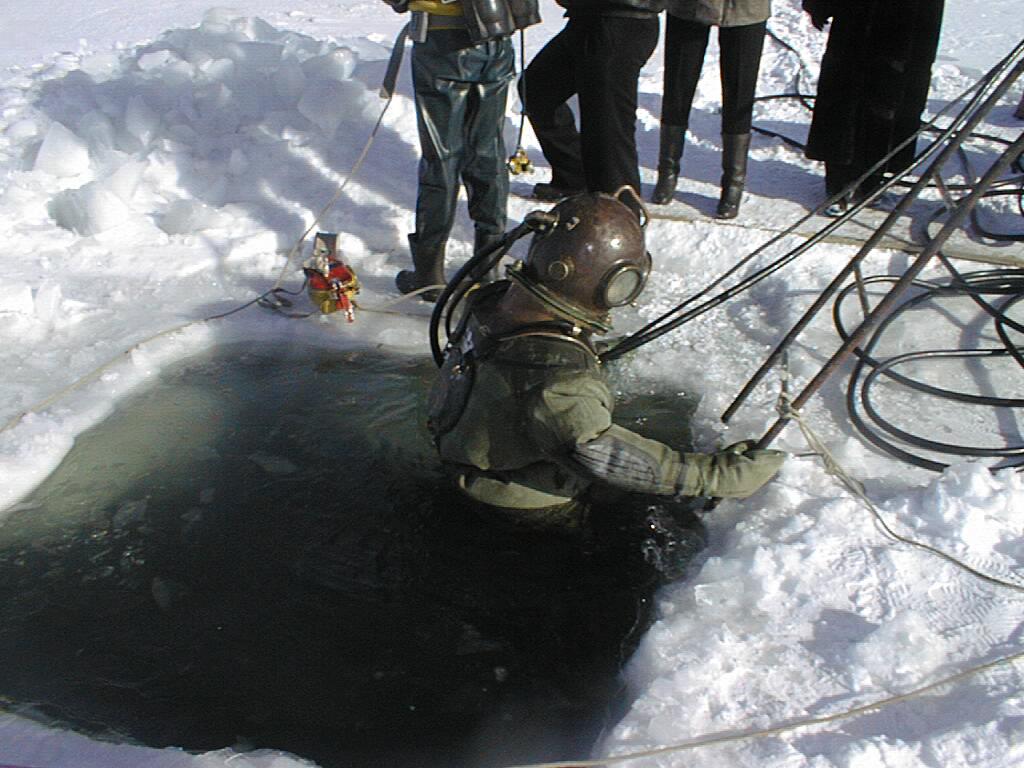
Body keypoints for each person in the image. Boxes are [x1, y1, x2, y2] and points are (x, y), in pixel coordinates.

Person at [426, 190, 785, 537]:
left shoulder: (492, 304)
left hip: (465, 457)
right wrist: (716, 476)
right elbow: (596, 450)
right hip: (524, 505)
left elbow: (512, 370)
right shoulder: (561, 378)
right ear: (613, 284)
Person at [386, 0, 541, 300]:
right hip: (495, 36)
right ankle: (488, 267)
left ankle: (429, 275)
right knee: (488, 153)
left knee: (441, 158)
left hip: (440, 41)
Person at [802, 0, 945, 216]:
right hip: (858, 19)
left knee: (892, 95)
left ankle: (873, 178)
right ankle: (838, 183)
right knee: (846, 93)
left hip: (909, 19)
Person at [518, 0, 663, 206]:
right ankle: (575, 178)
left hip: (622, 19)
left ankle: (620, 211)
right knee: (537, 89)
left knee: (607, 125)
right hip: (586, 18)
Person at [650, 0, 771, 219]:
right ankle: (667, 170)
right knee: (678, 85)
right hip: (689, 7)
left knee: (739, 91)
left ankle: (733, 182)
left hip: (747, 9)